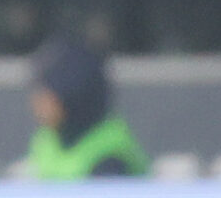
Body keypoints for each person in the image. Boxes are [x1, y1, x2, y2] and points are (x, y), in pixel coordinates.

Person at [23, 34, 150, 177]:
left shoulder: (110, 158)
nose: (36, 103)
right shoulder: (46, 139)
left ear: (72, 97)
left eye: (47, 96)